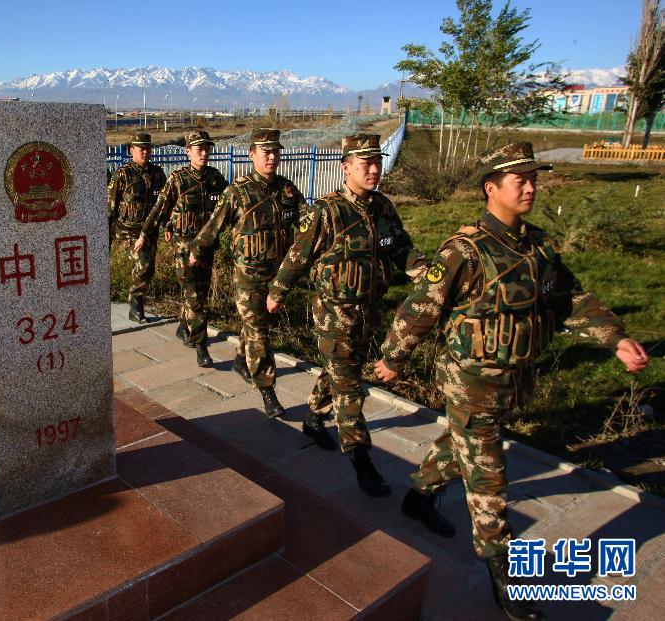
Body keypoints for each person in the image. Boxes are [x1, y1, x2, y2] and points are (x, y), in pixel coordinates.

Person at [374, 142, 649, 621]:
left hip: (514, 378)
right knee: (488, 471)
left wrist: (615, 339)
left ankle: (419, 495)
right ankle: (502, 573)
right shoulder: (464, 249)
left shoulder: (540, 246)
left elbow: (571, 299)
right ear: (491, 188)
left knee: (460, 445)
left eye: (533, 179)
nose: (530, 187)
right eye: (519, 180)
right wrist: (394, 358)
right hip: (470, 381)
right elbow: (421, 306)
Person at [265, 133, 426, 495]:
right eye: (364, 164)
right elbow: (298, 256)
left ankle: (313, 415)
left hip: (369, 312)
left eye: (377, 163)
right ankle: (361, 458)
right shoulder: (327, 211)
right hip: (334, 314)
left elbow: (403, 251)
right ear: (346, 167)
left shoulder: (383, 208)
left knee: (339, 370)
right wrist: (277, 293)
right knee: (350, 384)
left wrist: (433, 277)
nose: (373, 170)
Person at [189, 128, 307, 419]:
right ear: (251, 154)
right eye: (265, 152)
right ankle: (268, 390)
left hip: (277, 277)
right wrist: (196, 251)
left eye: (275, 151)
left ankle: (242, 360)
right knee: (259, 332)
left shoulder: (288, 190)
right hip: (248, 278)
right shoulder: (238, 191)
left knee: (258, 325)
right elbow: (214, 226)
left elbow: (308, 225)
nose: (271, 157)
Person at [134, 130, 228, 367]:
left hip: (207, 250)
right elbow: (159, 210)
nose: (204, 153)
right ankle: (201, 346)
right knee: (194, 298)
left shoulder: (216, 179)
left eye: (207, 149)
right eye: (199, 150)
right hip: (184, 251)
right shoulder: (178, 179)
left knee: (201, 296)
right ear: (188, 152)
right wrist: (145, 234)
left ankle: (183, 327)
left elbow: (230, 209)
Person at [108, 132, 167, 323]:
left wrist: (167, 226)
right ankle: (135, 304)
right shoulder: (122, 175)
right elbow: (110, 207)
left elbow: (165, 204)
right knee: (143, 264)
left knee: (149, 269)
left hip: (149, 231)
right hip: (127, 232)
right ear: (131, 150)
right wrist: (107, 236)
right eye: (141, 149)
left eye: (148, 149)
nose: (145, 153)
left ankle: (137, 299)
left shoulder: (157, 174)